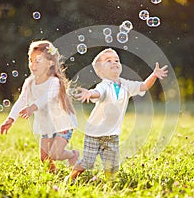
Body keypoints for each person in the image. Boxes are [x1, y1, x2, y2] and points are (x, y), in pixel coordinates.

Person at [68, 48, 168, 180]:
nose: (114, 62)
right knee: (88, 161)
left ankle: (109, 184)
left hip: (112, 133)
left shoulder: (126, 84)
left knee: (112, 166)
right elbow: (98, 93)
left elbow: (143, 86)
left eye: (116, 60)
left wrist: (154, 75)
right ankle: (71, 178)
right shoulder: (103, 85)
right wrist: (90, 93)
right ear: (100, 71)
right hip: (95, 132)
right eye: (108, 61)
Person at [0, 40, 79, 173]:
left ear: (50, 63)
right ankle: (54, 176)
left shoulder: (55, 82)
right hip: (46, 125)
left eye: (38, 60)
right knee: (44, 158)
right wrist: (11, 118)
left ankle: (73, 154)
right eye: (31, 60)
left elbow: (47, 97)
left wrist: (32, 107)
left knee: (55, 154)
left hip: (62, 124)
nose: (32, 64)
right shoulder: (29, 82)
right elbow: (21, 100)